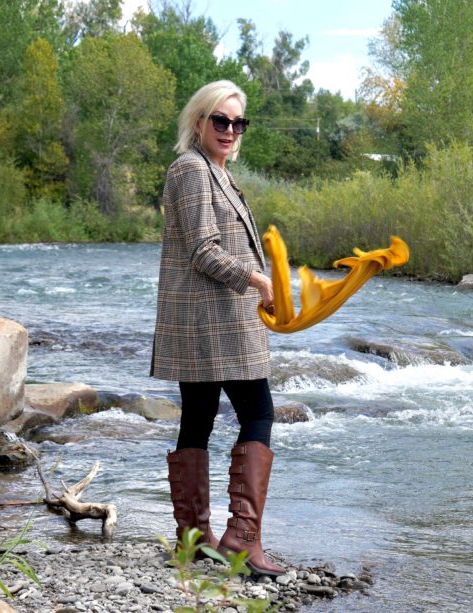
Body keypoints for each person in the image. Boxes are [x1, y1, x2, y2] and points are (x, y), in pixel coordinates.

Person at [151, 79, 285, 576]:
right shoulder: (191, 169)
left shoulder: (220, 173)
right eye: (220, 120)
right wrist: (256, 279)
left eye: (237, 122)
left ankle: (194, 540)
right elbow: (203, 250)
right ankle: (242, 539)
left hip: (213, 319)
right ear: (198, 122)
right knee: (259, 412)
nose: (230, 130)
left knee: (200, 416)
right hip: (214, 320)